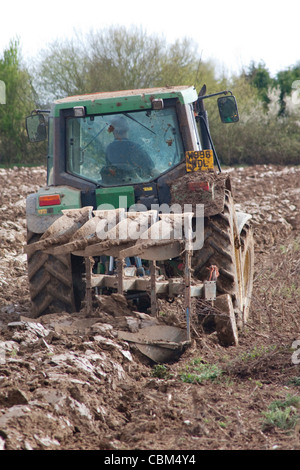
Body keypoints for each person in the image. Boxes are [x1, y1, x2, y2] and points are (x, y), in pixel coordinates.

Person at [105, 115, 155, 180]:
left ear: (113, 131)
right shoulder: (136, 148)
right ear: (127, 129)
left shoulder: (109, 149)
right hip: (137, 187)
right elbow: (151, 170)